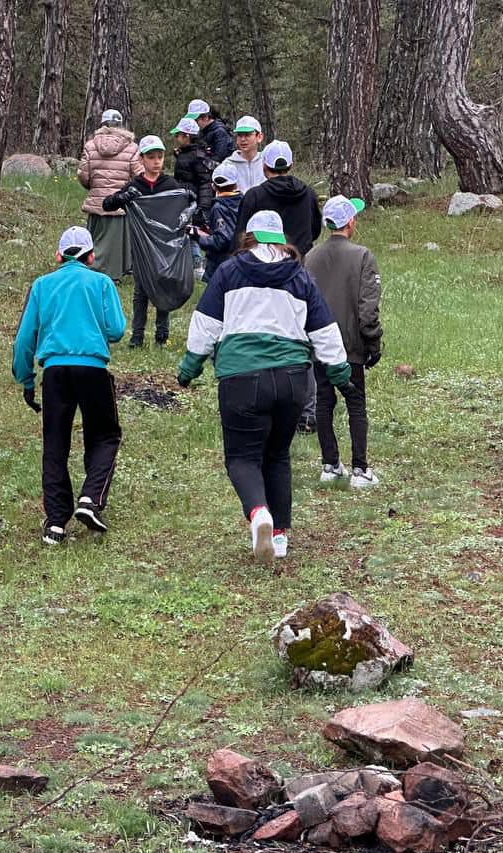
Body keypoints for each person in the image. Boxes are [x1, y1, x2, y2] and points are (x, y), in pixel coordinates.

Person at [176, 210, 352, 561]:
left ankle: (259, 513)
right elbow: (324, 331)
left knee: (242, 457)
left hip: (241, 377)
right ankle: (281, 537)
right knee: (277, 455)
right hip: (292, 380)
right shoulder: (300, 277)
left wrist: (189, 367)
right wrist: (339, 372)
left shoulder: (228, 272)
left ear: (249, 238)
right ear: (280, 240)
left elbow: (205, 326)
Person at [12, 226, 127, 545]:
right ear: (92, 256)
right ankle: (90, 499)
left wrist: (26, 378)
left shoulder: (42, 285)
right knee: (104, 435)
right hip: (92, 370)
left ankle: (55, 524)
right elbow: (117, 329)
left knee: (55, 443)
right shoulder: (102, 282)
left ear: (58, 256)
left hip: (55, 372)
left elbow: (24, 339)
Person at [235, 140, 324, 431]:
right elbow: (314, 230)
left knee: (262, 336)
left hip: (258, 275)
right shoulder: (308, 194)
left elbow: (241, 236)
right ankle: (307, 412)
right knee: (302, 339)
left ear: (264, 166)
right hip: (297, 271)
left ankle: (262, 406)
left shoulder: (254, 196)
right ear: (291, 166)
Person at [305, 196, 383, 489]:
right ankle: (360, 469)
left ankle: (330, 464)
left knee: (324, 403)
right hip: (350, 347)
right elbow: (368, 309)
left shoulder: (310, 257)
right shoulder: (363, 256)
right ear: (350, 222)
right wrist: (373, 343)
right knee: (356, 404)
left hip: (319, 348)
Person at [102, 135, 189, 348]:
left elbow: (183, 204)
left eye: (160, 157)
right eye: (151, 157)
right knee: (141, 291)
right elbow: (107, 205)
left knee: (163, 286)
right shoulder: (135, 186)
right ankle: (137, 337)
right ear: (142, 159)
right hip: (141, 249)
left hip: (164, 247)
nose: (156, 161)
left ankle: (162, 335)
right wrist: (121, 198)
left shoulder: (170, 184)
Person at [77, 109, 143, 282]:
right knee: (115, 243)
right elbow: (139, 176)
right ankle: (113, 274)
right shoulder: (132, 148)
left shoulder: (90, 146)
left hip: (97, 203)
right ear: (120, 124)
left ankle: (90, 269)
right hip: (119, 204)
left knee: (95, 239)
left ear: (102, 124)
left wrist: (92, 188)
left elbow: (84, 175)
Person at [196, 162, 242, 282]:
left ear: (213, 186)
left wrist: (197, 236)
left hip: (220, 265)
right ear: (236, 184)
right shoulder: (244, 202)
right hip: (239, 260)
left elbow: (221, 240)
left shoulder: (218, 208)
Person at [171, 117, 214, 225]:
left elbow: (205, 183)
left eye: (178, 135)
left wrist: (203, 209)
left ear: (187, 136)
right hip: (183, 202)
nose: (176, 138)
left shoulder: (198, 156)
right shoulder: (184, 153)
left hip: (194, 205)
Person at [225, 116, 265, 194]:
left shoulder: (267, 162)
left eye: (247, 135)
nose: (243, 139)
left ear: (259, 137)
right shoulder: (228, 165)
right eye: (239, 135)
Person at [185, 98, 233, 163]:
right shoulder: (201, 132)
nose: (194, 123)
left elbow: (218, 158)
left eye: (196, 120)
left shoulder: (220, 132)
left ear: (206, 117)